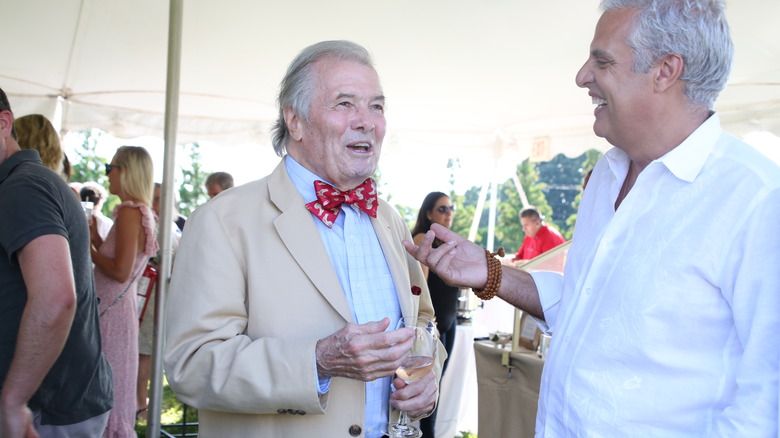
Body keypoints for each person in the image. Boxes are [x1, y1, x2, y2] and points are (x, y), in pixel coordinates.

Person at [404, 1, 780, 436]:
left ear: (666, 70)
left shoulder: (757, 201)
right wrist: (490, 273)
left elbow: (768, 403)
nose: (582, 76)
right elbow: (586, 306)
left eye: (602, 61)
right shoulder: (607, 174)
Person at [164, 40, 445, 438]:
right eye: (345, 103)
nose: (367, 121)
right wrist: (316, 362)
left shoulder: (389, 220)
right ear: (294, 121)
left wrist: (427, 376)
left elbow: (423, 323)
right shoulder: (222, 221)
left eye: (376, 106)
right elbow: (191, 365)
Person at [0, 87, 113, 437]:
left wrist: (13, 402)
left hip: (47, 411)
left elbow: (55, 298)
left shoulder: (22, 188)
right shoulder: (29, 182)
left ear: (4, 123)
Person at [91, 146, 158, 437]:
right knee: (113, 379)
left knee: (110, 382)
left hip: (111, 312)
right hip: (116, 309)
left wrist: (88, 248)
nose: (107, 174)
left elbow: (120, 270)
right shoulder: (133, 212)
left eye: (111, 167)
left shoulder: (131, 212)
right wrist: (97, 239)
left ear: (127, 171)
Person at [410, 191, 459, 438]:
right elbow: (418, 288)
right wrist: (429, 324)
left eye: (451, 208)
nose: (448, 212)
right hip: (434, 326)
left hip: (450, 323)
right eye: (442, 208)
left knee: (436, 391)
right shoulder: (422, 238)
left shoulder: (446, 242)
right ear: (428, 213)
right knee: (428, 391)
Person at [135, 182, 181, 421]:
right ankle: (140, 403)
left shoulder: (168, 226)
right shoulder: (150, 226)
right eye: (153, 198)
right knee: (145, 351)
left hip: (163, 296)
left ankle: (143, 401)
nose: (157, 203)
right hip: (150, 295)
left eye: (161, 198)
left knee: (151, 351)